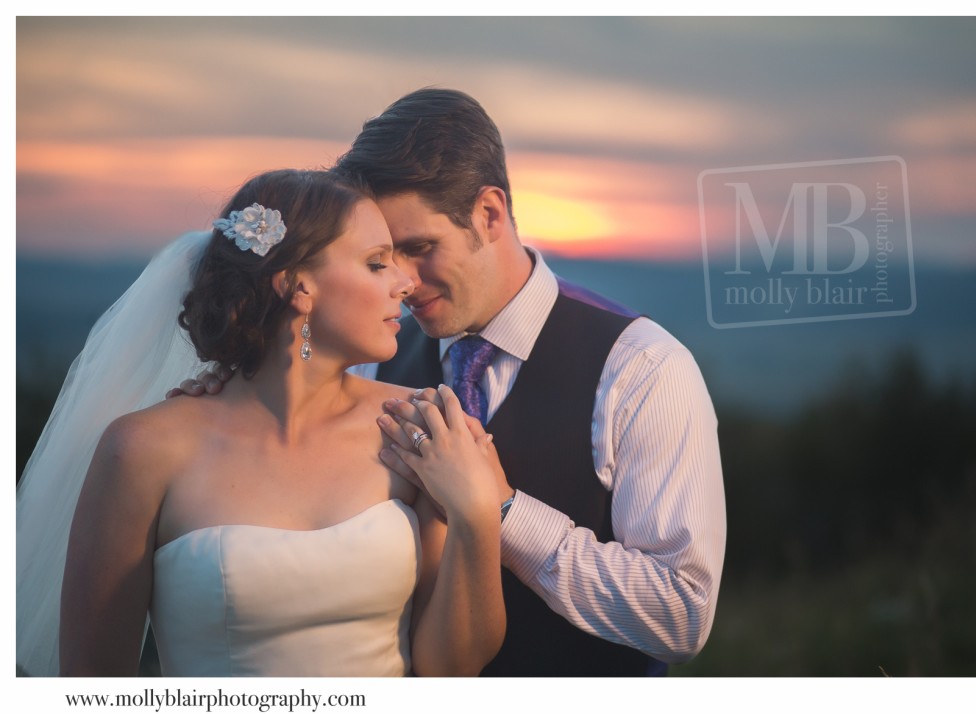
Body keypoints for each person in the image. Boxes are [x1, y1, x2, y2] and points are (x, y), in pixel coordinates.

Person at [181, 88, 727, 676]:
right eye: (382, 257)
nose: (402, 282)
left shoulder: (642, 370)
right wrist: (236, 394)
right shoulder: (370, 360)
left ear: (489, 214)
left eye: (419, 249)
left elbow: (681, 614)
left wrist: (503, 511)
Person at [16, 169, 505, 677]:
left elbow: (450, 670)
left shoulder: (417, 428)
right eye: (376, 263)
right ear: (298, 286)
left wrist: (477, 516)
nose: (405, 283)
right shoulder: (143, 450)